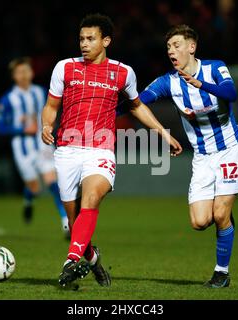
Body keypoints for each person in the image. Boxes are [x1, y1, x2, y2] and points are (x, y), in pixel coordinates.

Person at [41, 14, 182, 288]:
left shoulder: (123, 73)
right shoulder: (64, 68)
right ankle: (92, 259)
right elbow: (51, 105)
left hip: (101, 151)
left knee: (91, 198)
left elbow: (136, 106)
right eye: (81, 38)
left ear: (106, 40)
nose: (84, 43)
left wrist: (163, 132)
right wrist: (46, 124)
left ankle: (71, 261)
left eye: (90, 38)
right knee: (74, 225)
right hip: (67, 150)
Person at [138, 25, 238, 288]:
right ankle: (225, 217)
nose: (171, 51)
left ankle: (221, 273)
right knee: (200, 222)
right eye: (168, 47)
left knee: (220, 213)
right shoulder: (169, 81)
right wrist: (105, 112)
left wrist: (203, 84)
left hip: (230, 149)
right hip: (202, 157)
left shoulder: (214, 68)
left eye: (176, 45)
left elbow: (231, 94)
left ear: (192, 46)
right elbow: (138, 101)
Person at [0, 57, 69, 238]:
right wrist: (21, 128)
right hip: (22, 149)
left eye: (26, 70)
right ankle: (28, 201)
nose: (23, 75)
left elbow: (52, 110)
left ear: (32, 72)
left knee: (53, 183)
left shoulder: (41, 92)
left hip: (43, 143)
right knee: (35, 188)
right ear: (13, 76)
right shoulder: (7, 99)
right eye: (19, 72)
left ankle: (66, 223)